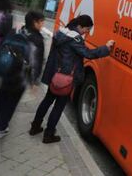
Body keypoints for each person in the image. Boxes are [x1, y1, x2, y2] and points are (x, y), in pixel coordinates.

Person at [29, 15, 114, 143]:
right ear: (80, 26)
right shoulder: (75, 39)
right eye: (86, 29)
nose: (87, 32)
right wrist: (106, 48)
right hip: (66, 78)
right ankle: (49, 134)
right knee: (58, 106)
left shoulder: (61, 32)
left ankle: (35, 127)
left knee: (47, 100)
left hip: (54, 75)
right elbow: (88, 54)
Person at [0, 11, 45, 139]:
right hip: (21, 76)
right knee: (11, 102)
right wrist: (34, 81)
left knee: (2, 95)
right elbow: (37, 62)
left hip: (7, 69)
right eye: (41, 21)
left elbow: (3, 45)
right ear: (35, 22)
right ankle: (1, 127)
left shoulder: (17, 30)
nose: (42, 24)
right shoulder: (38, 39)